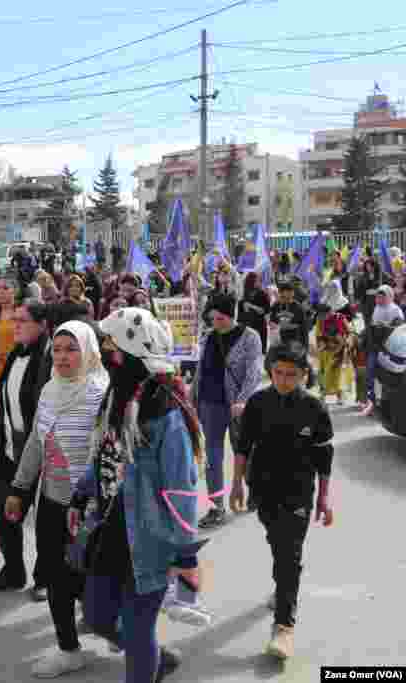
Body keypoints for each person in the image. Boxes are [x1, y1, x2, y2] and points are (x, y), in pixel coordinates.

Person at [74, 307, 200, 683]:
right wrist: (83, 493)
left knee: (138, 626)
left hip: (149, 537)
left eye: (110, 350)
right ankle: (153, 660)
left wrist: (185, 549)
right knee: (97, 615)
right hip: (109, 527)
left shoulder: (165, 413)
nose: (103, 357)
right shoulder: (115, 395)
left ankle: (145, 663)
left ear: (131, 354)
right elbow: (103, 455)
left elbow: (183, 488)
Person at [7, 320, 109, 677]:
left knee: (95, 574)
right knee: (56, 573)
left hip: (90, 507)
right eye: (59, 349)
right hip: (51, 500)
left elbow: (109, 457)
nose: (63, 357)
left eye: (72, 349)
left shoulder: (101, 394)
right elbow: (37, 442)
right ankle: (69, 648)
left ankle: (115, 628)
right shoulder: (50, 389)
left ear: (89, 351)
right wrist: (19, 489)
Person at [231, 342, 335, 660]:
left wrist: (325, 498)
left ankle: (284, 627)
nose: (284, 380)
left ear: (304, 374)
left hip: (299, 490)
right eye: (278, 373)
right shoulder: (258, 403)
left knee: (289, 553)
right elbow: (243, 448)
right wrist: (236, 484)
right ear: (270, 372)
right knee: (278, 544)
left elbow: (324, 457)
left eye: (292, 375)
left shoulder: (315, 408)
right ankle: (282, 590)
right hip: (262, 488)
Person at [0, 300, 52, 599]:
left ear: (41, 324)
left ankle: (45, 577)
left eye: (22, 321)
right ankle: (13, 571)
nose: (16, 326)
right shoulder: (14, 355)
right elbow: (3, 402)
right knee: (2, 509)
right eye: (14, 321)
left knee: (44, 522)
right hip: (13, 452)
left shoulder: (49, 358)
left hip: (41, 455)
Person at [192, 292, 263, 529]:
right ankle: (216, 506)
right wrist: (192, 397)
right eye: (213, 318)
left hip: (238, 407)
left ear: (231, 315)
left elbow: (254, 370)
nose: (217, 323)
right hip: (210, 405)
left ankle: (254, 490)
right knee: (213, 457)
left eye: (221, 318)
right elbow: (199, 369)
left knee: (244, 451)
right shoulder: (206, 337)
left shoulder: (249, 336)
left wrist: (243, 400)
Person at [360, 284, 404, 416]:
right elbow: (373, 326)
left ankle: (386, 406)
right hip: (375, 347)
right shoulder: (377, 309)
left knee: (388, 378)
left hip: (390, 350)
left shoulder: (395, 310)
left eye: (381, 297)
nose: (378, 300)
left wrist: (384, 326)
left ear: (390, 297)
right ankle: (371, 402)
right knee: (370, 374)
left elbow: (400, 329)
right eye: (377, 297)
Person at [316, 280, 355, 405]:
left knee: (338, 374)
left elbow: (349, 333)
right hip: (326, 350)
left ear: (329, 312)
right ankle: (322, 395)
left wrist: (344, 344)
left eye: (324, 316)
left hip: (339, 350)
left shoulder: (340, 318)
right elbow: (320, 334)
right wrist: (321, 344)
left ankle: (340, 396)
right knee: (324, 373)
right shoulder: (321, 319)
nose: (322, 318)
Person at [238, 271, 271, 355]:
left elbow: (265, 310)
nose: (259, 282)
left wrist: (251, 306)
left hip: (259, 326)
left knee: (258, 352)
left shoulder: (263, 293)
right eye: (257, 280)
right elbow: (240, 314)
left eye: (260, 280)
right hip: (247, 326)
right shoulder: (244, 293)